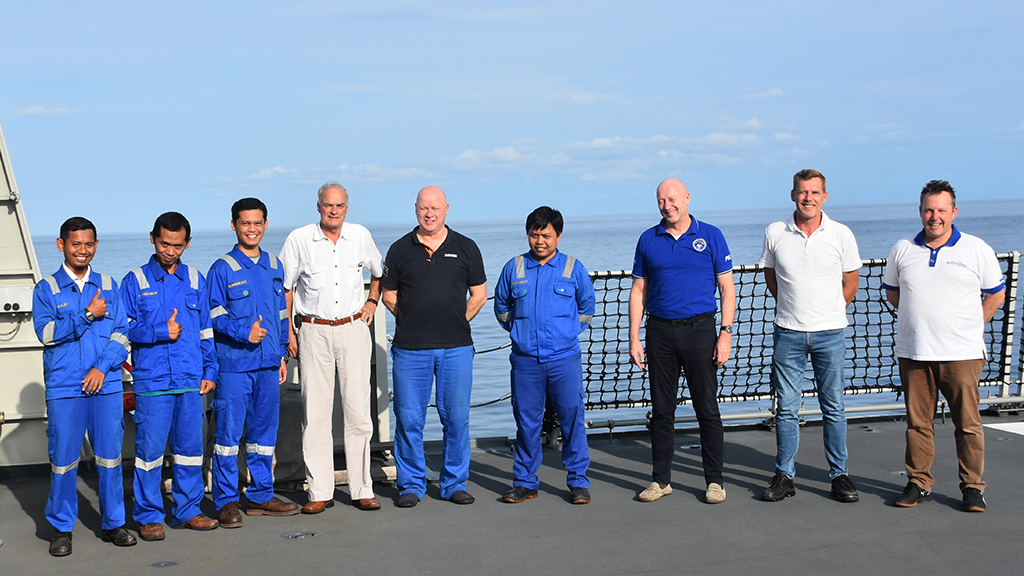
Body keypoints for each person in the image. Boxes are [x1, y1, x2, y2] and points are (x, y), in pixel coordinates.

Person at [882, 180, 1005, 512]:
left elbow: (996, 293)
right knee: (917, 424)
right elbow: (893, 292)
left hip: (962, 354)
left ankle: (972, 488)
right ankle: (919, 483)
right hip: (915, 353)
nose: (934, 217)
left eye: (940, 210)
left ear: (953, 212)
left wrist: (972, 323)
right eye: (928, 210)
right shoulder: (903, 249)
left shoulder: (977, 249)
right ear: (920, 211)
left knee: (967, 424)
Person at [32, 217, 137, 556]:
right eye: (75, 244)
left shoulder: (109, 284)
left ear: (96, 245)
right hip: (64, 388)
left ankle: (114, 524)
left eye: (89, 244)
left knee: (109, 457)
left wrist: (101, 368)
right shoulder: (46, 288)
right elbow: (46, 334)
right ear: (61, 245)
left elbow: (123, 334)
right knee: (63, 459)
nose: (83, 250)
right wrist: (87, 315)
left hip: (104, 386)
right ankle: (62, 529)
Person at [628, 178, 735, 505]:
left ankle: (714, 481)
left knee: (707, 408)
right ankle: (660, 480)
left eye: (672, 199)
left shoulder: (711, 235)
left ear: (687, 198)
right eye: (661, 200)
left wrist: (725, 333)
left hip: (701, 331)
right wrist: (633, 336)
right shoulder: (648, 239)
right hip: (659, 332)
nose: (667, 205)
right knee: (661, 411)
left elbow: (727, 289)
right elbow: (638, 291)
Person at [758, 169, 861, 503]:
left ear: (825, 197)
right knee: (786, 409)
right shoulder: (775, 232)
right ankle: (785, 475)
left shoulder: (842, 234)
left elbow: (851, 282)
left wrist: (828, 311)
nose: (808, 198)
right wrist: (793, 310)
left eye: (815, 192)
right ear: (793, 195)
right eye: (803, 192)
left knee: (834, 407)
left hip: (830, 334)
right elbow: (772, 278)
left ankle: (839, 475)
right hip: (787, 332)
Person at [280, 182, 383, 513]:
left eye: (339, 205)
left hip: (354, 329)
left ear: (347, 207)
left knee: (358, 414)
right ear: (319, 207)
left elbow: (379, 273)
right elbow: (285, 287)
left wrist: (371, 301)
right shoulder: (299, 240)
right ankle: (319, 492)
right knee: (316, 415)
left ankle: (362, 488)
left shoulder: (360, 236)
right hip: (313, 331)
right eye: (328, 205)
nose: (334, 210)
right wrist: (289, 333)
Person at [382, 186, 487, 507]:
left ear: (446, 209)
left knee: (456, 418)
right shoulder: (400, 250)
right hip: (410, 349)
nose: (429, 213)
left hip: (456, 348)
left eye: (435, 208)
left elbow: (479, 294)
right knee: (409, 418)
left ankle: (454, 483)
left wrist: (457, 319)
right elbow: (389, 295)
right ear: (415, 209)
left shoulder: (466, 247)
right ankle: (411, 484)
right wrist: (413, 320)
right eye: (424, 208)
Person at [121, 212, 220, 541]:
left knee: (190, 449)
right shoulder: (135, 280)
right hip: (153, 382)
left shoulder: (195, 278)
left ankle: (188, 510)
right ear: (153, 238)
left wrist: (211, 369)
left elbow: (206, 330)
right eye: (165, 243)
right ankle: (149, 516)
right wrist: (159, 331)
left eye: (178, 245)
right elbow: (123, 330)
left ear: (187, 244)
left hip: (191, 380)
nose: (170, 251)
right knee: (149, 453)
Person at [494, 207, 596, 505]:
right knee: (527, 422)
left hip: (564, 359)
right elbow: (502, 309)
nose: (540, 241)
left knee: (572, 418)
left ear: (558, 236)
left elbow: (587, 308)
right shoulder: (514, 268)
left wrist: (566, 334)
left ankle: (578, 482)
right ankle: (525, 482)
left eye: (546, 235)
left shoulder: (573, 268)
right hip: (525, 361)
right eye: (534, 234)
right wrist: (520, 334)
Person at [207, 198, 298, 527]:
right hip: (234, 366)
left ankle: (261, 494)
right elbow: (213, 315)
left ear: (266, 225)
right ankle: (227, 500)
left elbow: (281, 314)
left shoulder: (275, 265)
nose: (252, 229)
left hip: (269, 365)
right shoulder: (222, 268)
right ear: (234, 225)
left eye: (258, 223)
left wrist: (282, 354)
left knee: (264, 434)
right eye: (245, 223)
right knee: (228, 436)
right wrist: (244, 332)